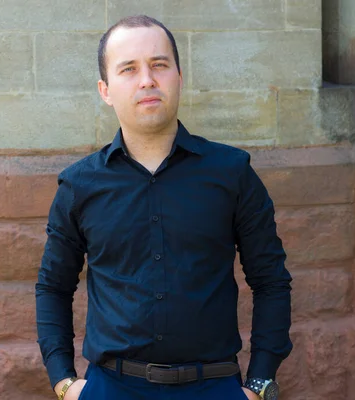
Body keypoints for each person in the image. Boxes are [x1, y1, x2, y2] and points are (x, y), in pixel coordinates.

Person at [35, 15, 292, 400]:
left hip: (215, 386)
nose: (147, 80)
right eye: (129, 69)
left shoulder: (232, 172)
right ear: (105, 90)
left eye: (159, 65)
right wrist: (64, 382)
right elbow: (53, 286)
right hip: (111, 388)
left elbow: (271, 280)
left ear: (178, 76)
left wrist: (258, 384)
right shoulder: (79, 185)